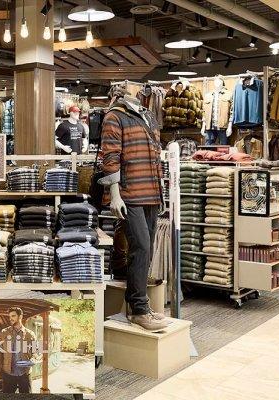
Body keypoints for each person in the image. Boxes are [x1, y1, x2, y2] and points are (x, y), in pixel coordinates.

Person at [98, 86, 170, 332]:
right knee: (140, 244)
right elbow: (110, 156)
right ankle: (139, 310)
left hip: (150, 190)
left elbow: (155, 154)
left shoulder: (147, 114)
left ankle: (140, 304)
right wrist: (115, 195)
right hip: (129, 192)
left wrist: (161, 192)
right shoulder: (114, 116)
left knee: (146, 246)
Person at [0, 307, 39, 393]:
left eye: (13, 316)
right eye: (9, 316)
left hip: (25, 373)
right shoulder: (4, 332)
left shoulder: (30, 334)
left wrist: (32, 360)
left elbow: (36, 352)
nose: (10, 318)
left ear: (20, 316)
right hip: (8, 373)